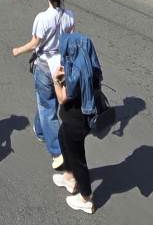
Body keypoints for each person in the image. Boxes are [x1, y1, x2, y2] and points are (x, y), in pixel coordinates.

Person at [11, 0, 75, 169]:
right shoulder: (70, 16)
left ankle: (58, 151)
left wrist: (18, 50)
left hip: (44, 65)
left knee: (46, 107)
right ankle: (40, 131)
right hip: (61, 65)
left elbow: (35, 43)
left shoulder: (42, 18)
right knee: (47, 102)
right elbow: (71, 40)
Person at [52, 30, 100, 214]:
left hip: (75, 122)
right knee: (63, 140)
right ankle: (69, 177)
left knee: (78, 159)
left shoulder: (77, 74)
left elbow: (63, 98)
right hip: (77, 120)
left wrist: (56, 81)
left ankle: (86, 198)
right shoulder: (89, 66)